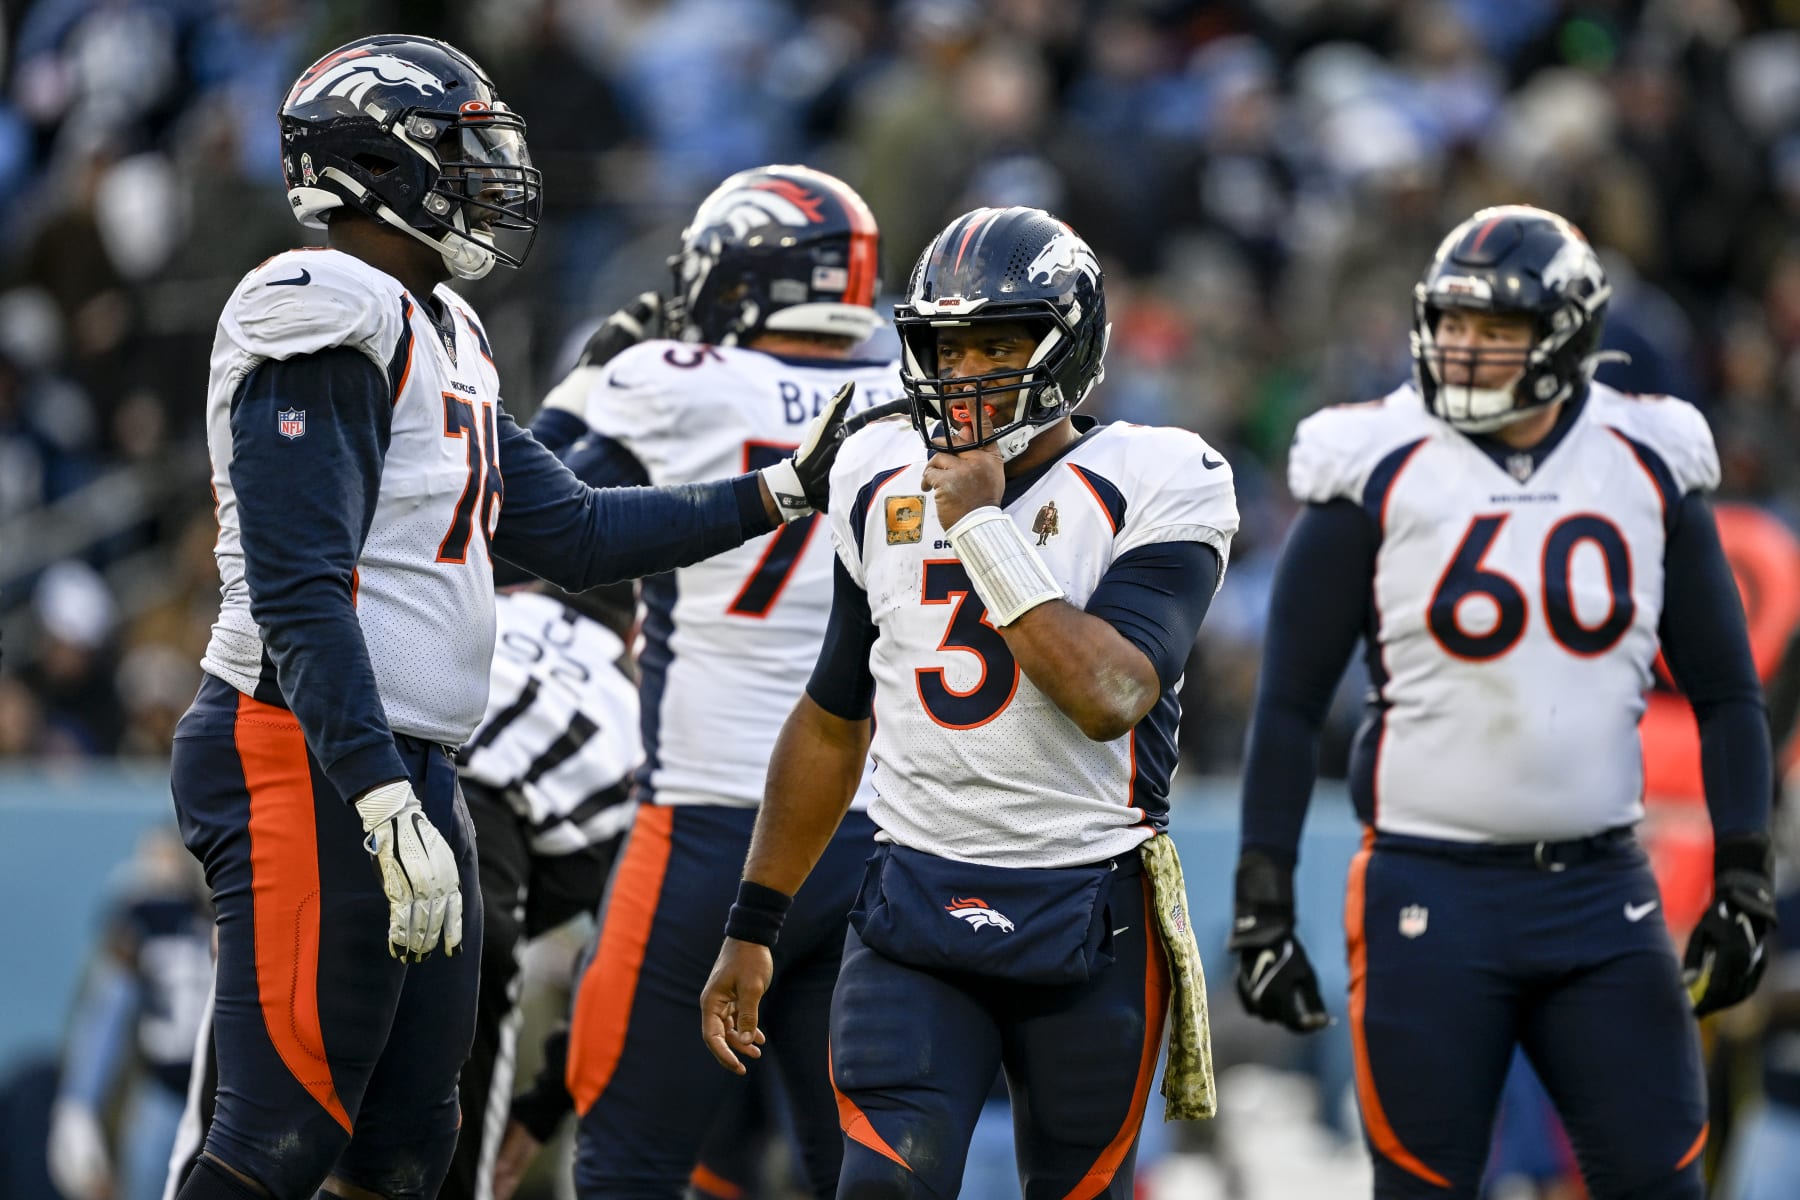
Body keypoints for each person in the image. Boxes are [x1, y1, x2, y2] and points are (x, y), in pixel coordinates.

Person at [168, 36, 861, 1200]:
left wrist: (776, 492)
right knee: (276, 1134)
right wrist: (376, 790)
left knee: (405, 1148)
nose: (487, 172)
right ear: (373, 162)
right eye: (457, 146)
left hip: (411, 760)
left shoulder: (448, 329)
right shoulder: (323, 302)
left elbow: (575, 530)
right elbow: (298, 589)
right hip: (307, 748)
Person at [1229, 204, 1778, 1199]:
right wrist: (1262, 898)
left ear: (1566, 335)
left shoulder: (1648, 459)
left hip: (1602, 886)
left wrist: (1745, 868)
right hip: (1428, 889)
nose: (1465, 350)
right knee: (1424, 1187)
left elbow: (1729, 694)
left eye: (1496, 329)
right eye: (1454, 325)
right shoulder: (1373, 462)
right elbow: (1289, 705)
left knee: (1661, 1184)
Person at [699, 205, 1238, 1197]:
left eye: (1000, 343)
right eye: (947, 348)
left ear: (1069, 346)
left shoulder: (1162, 477)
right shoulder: (874, 469)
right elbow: (832, 714)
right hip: (912, 905)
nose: (968, 373)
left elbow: (1109, 694)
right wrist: (754, 921)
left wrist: (983, 526)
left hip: (1091, 909)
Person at [515, 163, 904, 1200]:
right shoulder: (916, 395)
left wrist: (589, 374)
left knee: (630, 1158)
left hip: (712, 828)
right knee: (858, 1173)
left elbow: (519, 516)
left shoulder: (670, 378)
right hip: (885, 827)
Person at [446, 581, 642, 1200]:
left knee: (251, 1150)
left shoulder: (478, 608)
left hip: (341, 851)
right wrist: (543, 1105)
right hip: (473, 924)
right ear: (635, 632)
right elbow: (620, 947)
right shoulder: (641, 723)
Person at [49, 829, 212, 1200]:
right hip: (163, 1094)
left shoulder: (220, 909)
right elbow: (105, 1013)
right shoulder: (141, 920)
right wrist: (78, 1103)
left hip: (225, 1099)